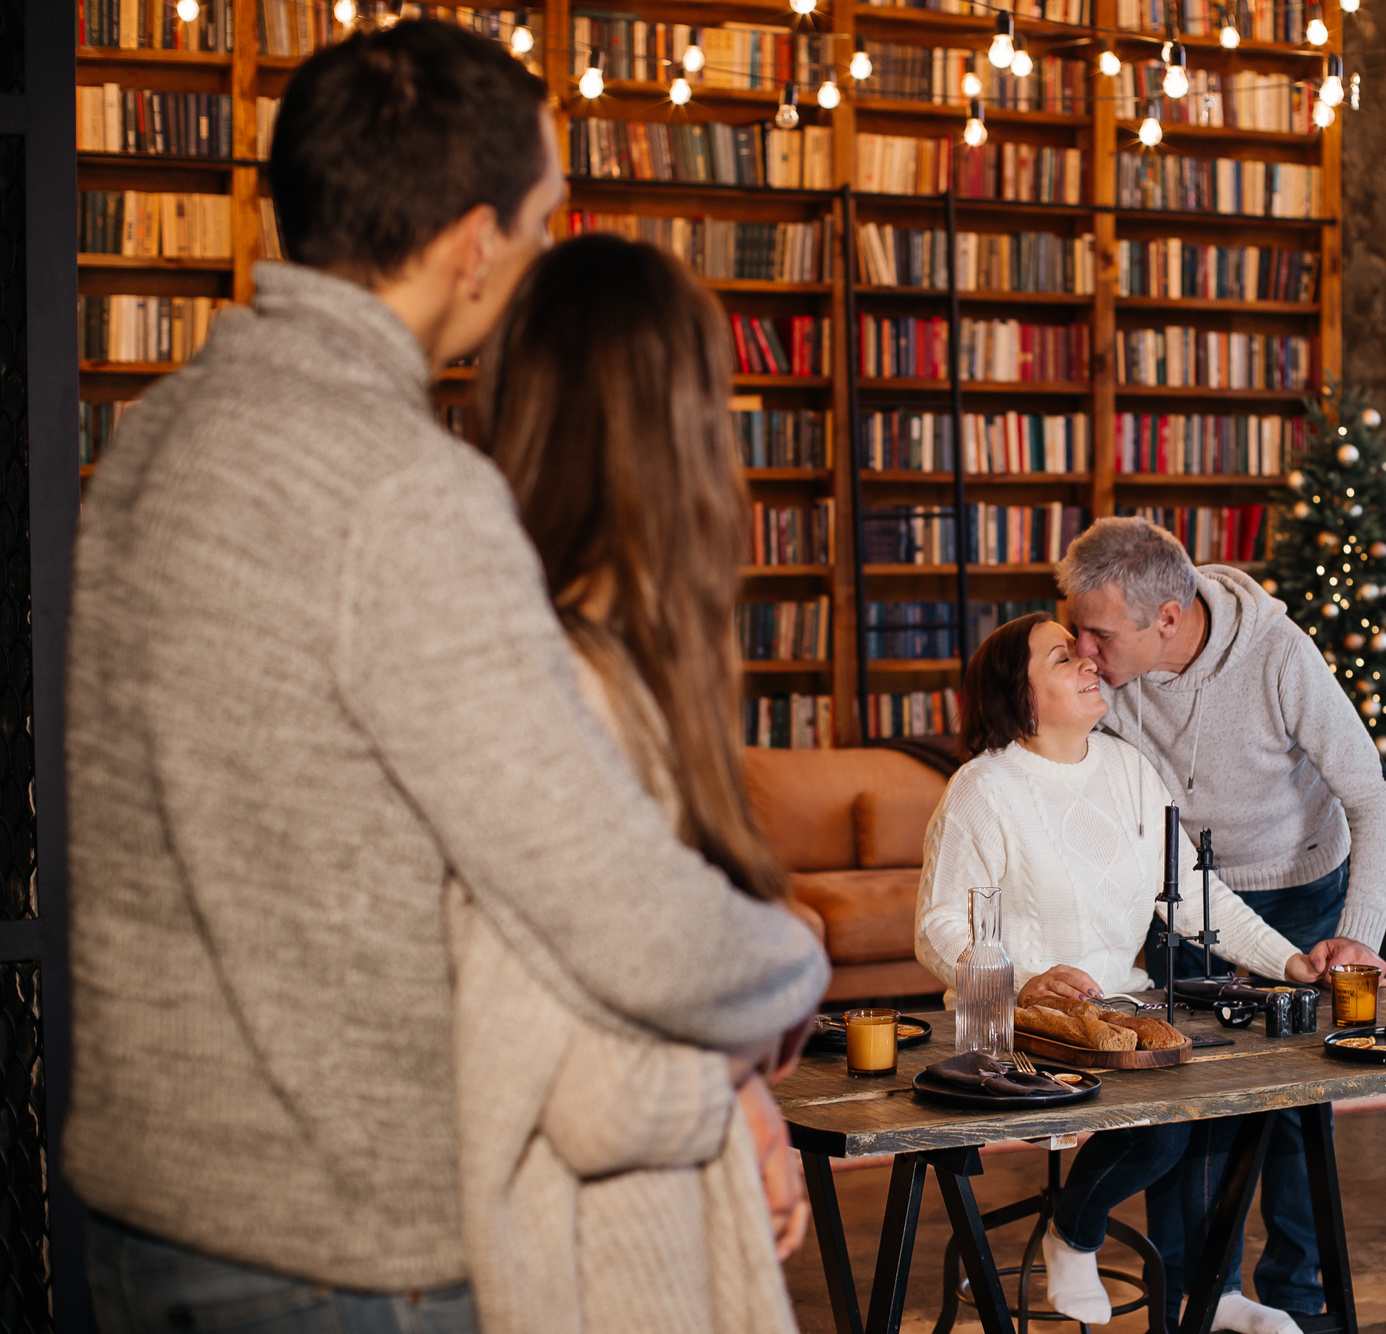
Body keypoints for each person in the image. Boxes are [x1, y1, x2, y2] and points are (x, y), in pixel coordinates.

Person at [64, 22, 826, 1332]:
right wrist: (790, 964)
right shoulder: (407, 490)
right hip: (340, 1243)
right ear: (475, 244)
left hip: (147, 1208)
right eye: (539, 225)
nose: (534, 260)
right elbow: (618, 911)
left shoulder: (159, 433)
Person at [441, 234, 812, 1334]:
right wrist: (751, 1042)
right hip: (607, 1271)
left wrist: (739, 1083)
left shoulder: (587, 665)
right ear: (676, 428)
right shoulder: (573, 691)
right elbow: (590, 1081)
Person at [916, 613, 1356, 1334]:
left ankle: (1211, 1295)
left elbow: (1191, 893)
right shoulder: (982, 789)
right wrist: (1024, 978)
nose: (1090, 662)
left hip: (1115, 1018)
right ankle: (1074, 1232)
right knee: (1164, 1127)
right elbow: (937, 928)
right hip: (1018, 1032)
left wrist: (1291, 960)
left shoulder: (1126, 768)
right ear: (1020, 694)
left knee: (1213, 1100)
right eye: (1064, 658)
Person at [1057, 517, 1386, 1323]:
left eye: (1098, 632)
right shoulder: (1106, 673)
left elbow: (1374, 806)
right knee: (1188, 1100)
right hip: (1185, 900)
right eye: (1075, 627)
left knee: (1288, 1111)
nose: (1082, 650)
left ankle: (1300, 1296)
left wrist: (1360, 932)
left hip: (1296, 890)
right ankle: (1197, 1301)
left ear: (1166, 621)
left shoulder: (1281, 657)